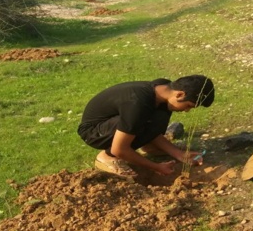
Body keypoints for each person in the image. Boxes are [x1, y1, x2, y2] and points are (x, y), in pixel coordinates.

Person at [78, 75, 215, 177]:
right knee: (141, 119)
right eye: (188, 106)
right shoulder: (138, 103)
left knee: (157, 116)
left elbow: (153, 128)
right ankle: (106, 157)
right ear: (180, 94)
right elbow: (119, 149)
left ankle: (149, 147)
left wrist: (178, 154)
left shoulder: (163, 89)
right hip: (94, 131)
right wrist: (156, 167)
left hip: (117, 122)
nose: (186, 110)